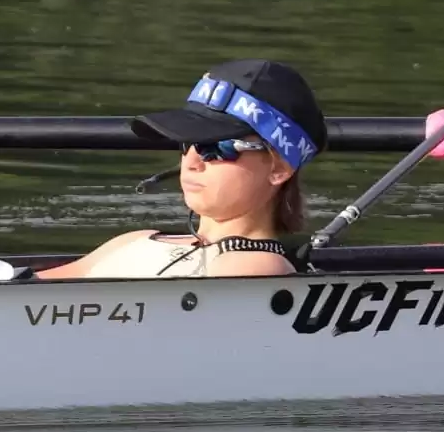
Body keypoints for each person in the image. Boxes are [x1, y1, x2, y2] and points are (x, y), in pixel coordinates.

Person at [37, 58, 328, 279]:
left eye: (216, 147)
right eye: (187, 143)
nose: (191, 161)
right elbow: (25, 287)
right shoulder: (136, 240)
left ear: (279, 168)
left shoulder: (251, 265)